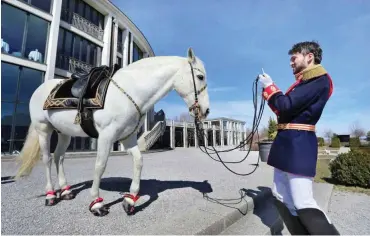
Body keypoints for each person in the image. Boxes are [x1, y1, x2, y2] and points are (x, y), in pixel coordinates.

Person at [258, 41, 340, 235]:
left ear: (309, 56)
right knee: (280, 195)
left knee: (303, 201)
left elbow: (286, 105)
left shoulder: (320, 79)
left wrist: (270, 87)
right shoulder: (305, 82)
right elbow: (284, 111)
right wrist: (271, 95)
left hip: (299, 144)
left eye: (294, 57)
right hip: (288, 142)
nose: (291, 63)